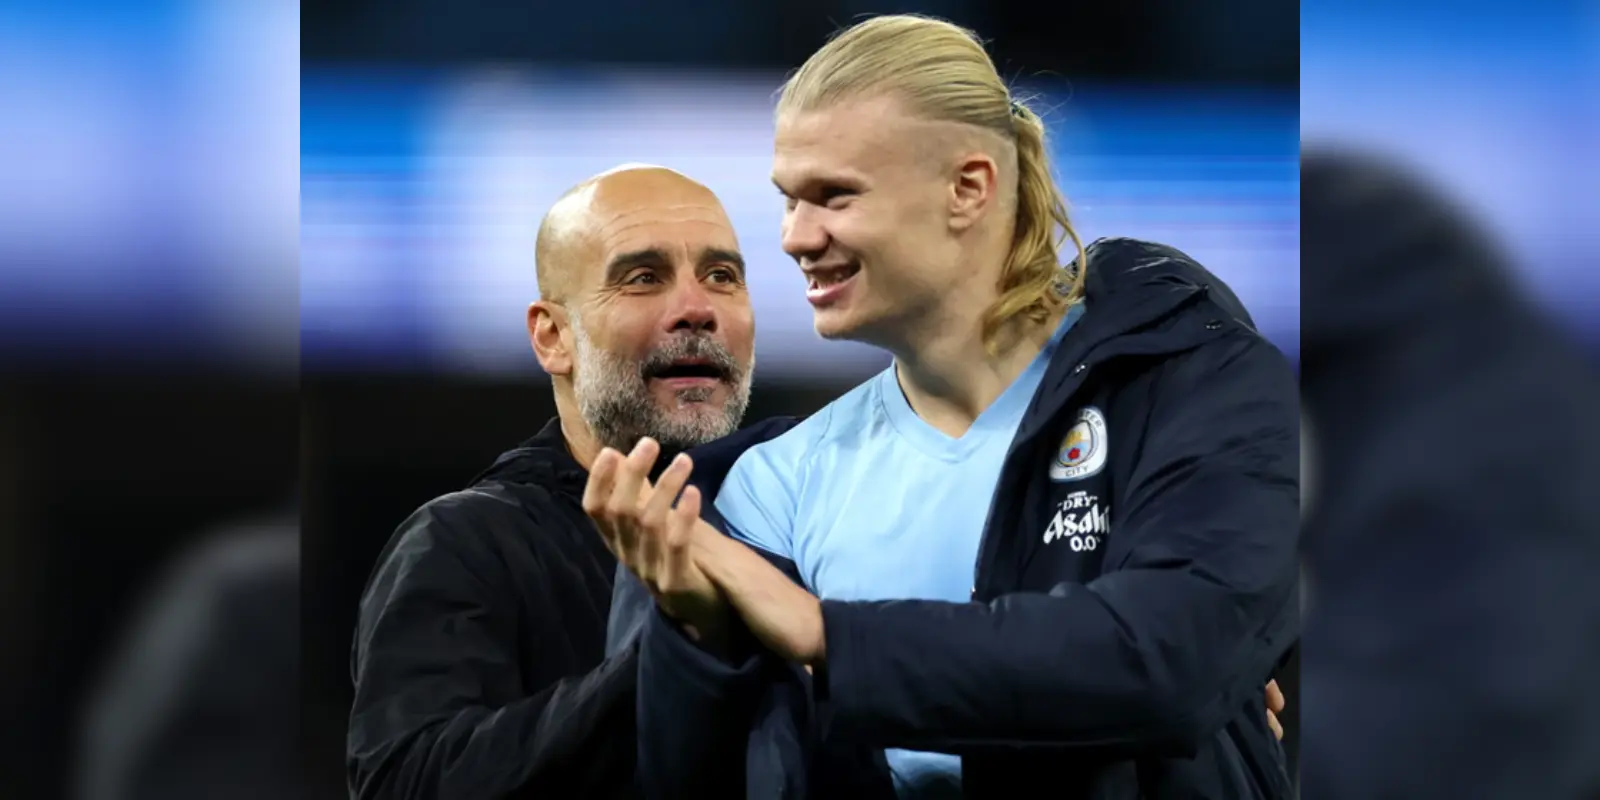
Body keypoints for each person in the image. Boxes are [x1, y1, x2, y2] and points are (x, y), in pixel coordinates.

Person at [589, 14, 1300, 799]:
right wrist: (698, 641)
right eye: (789, 200)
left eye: (834, 196)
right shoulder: (770, 489)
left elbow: (1169, 659)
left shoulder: (1179, 376)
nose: (794, 236)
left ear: (968, 188)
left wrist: (827, 635)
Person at [345, 164, 796, 799]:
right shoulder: (466, 542)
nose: (697, 309)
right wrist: (685, 649)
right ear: (553, 336)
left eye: (722, 276)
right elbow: (409, 783)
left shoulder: (809, 509)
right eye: (644, 278)